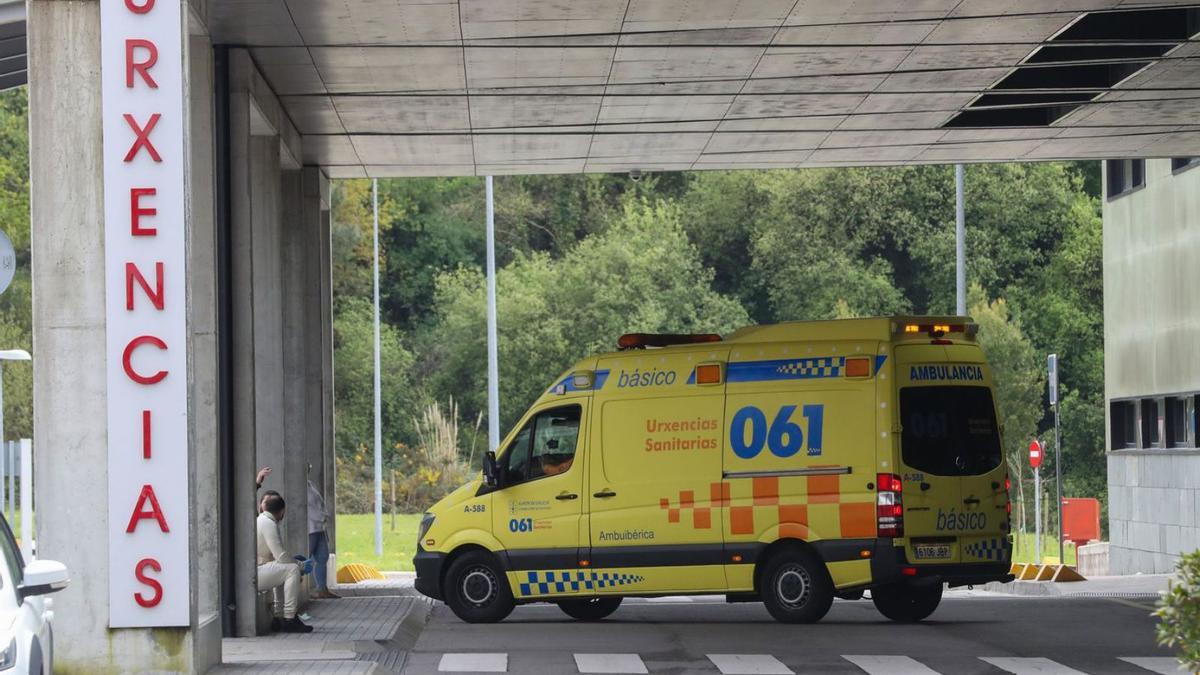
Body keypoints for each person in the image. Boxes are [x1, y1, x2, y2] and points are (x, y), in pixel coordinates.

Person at [257, 494, 313, 633]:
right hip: (256, 574)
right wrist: (300, 565)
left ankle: (278, 616)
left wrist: (294, 561)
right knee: (291, 569)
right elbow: (281, 555)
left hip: (255, 571)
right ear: (282, 511)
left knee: (284, 568)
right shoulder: (268, 523)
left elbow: (278, 559)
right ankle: (290, 618)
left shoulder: (261, 520)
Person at [307, 478, 339, 599]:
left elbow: (319, 504)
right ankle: (297, 590)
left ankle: (322, 589)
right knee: (305, 559)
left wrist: (324, 516)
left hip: (320, 528)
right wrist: (322, 517)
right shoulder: (298, 487)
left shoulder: (310, 484)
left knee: (322, 557)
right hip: (310, 528)